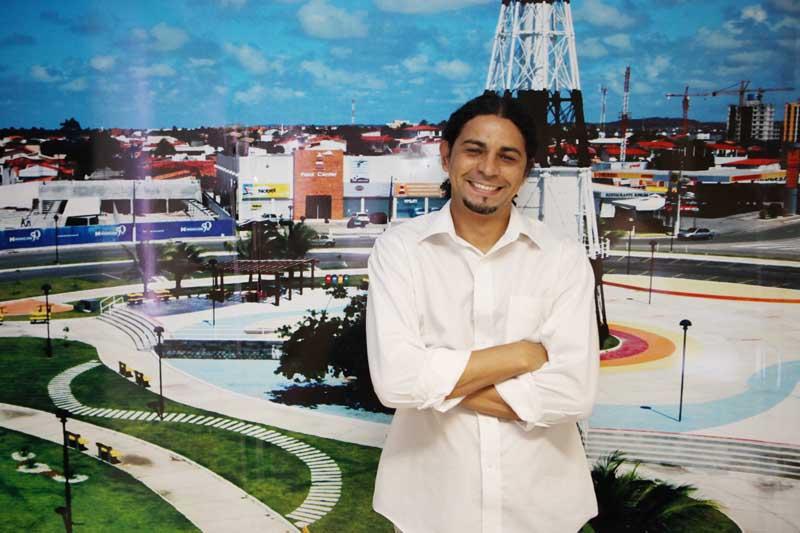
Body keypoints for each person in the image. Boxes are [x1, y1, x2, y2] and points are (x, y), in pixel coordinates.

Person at [366, 92, 599, 533]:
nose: (488, 169)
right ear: (446, 156)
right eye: (474, 150)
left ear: (525, 170)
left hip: (541, 508)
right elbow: (396, 382)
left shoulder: (562, 258)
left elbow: (573, 393)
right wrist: (522, 355)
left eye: (507, 157)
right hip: (430, 506)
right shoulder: (400, 251)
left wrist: (435, 384)